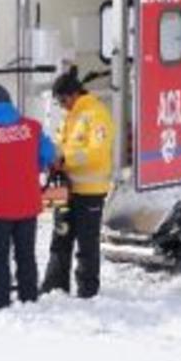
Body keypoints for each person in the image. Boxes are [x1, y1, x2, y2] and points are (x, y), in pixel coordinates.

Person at [0, 84, 56, 309]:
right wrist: (34, 164)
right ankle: (28, 297)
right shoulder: (33, 128)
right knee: (26, 254)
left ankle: (0, 298)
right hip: (28, 203)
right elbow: (49, 154)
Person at [41, 67, 114, 299]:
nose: (61, 105)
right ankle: (54, 287)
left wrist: (66, 159)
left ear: (73, 94)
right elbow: (61, 146)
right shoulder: (69, 117)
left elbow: (97, 151)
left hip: (90, 191)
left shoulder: (96, 113)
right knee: (60, 236)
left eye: (62, 99)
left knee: (86, 243)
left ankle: (87, 290)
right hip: (64, 188)